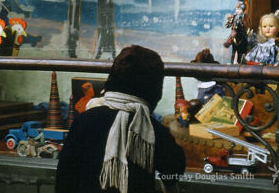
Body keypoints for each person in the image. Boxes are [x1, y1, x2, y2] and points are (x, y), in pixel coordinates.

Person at [55, 45, 185, 193]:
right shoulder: (153, 130)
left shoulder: (85, 120)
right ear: (154, 89)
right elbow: (174, 169)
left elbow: (65, 175)